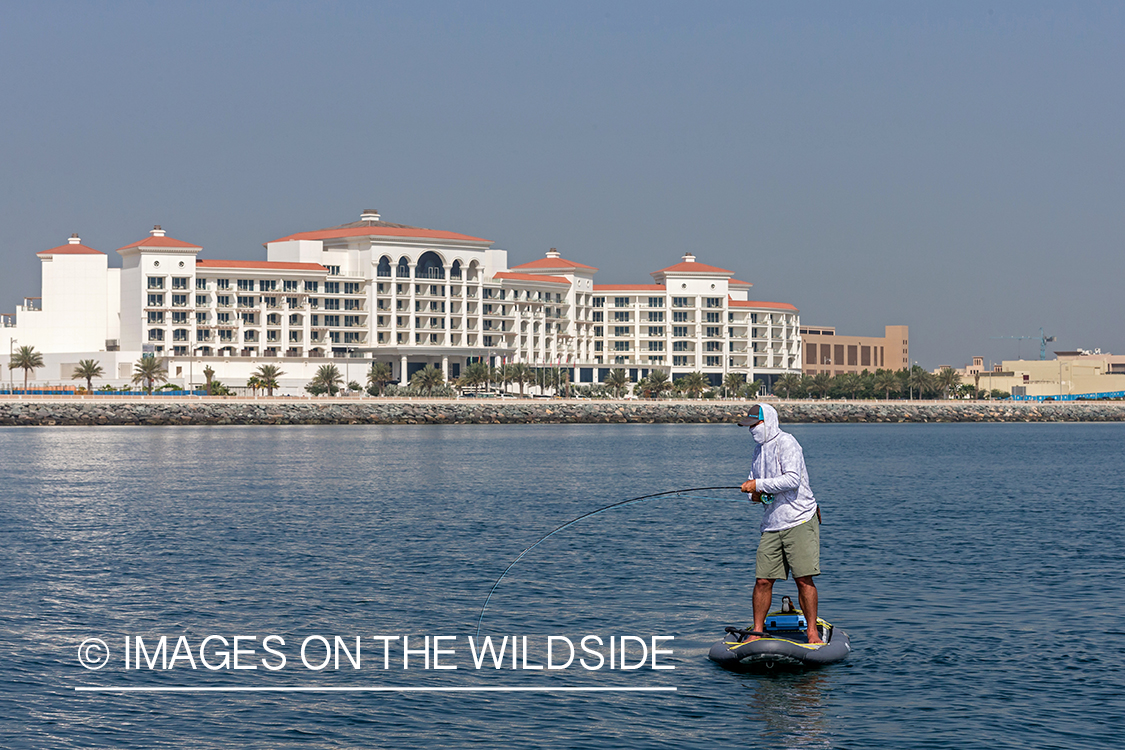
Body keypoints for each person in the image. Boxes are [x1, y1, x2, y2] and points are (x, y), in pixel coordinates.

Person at [738, 402, 824, 644]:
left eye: (755, 424)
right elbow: (753, 484)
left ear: (769, 422)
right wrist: (752, 493)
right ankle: (757, 631)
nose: (752, 430)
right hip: (772, 523)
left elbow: (792, 480)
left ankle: (812, 633)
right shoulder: (758, 451)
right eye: (750, 426)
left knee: (803, 578)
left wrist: (758, 486)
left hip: (799, 519)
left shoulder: (787, 442)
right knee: (763, 579)